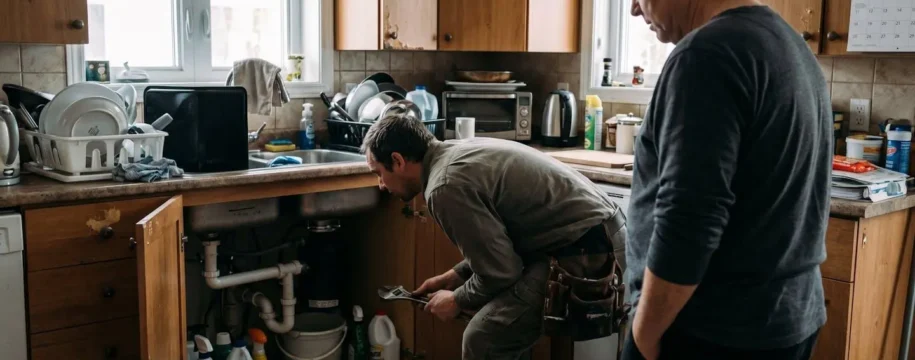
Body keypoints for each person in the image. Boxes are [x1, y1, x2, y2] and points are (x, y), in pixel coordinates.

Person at [622, 0, 832, 359]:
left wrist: (642, 337)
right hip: (787, 321)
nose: (633, 10)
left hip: (712, 332)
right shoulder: (788, 44)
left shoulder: (704, 55)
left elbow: (689, 221)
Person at [361, 114, 628, 359]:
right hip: (589, 237)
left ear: (397, 160)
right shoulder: (453, 154)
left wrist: (457, 299)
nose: (381, 185)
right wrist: (457, 275)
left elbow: (501, 272)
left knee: (484, 338)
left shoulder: (444, 187)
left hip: (588, 249)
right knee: (499, 327)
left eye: (379, 174)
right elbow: (500, 245)